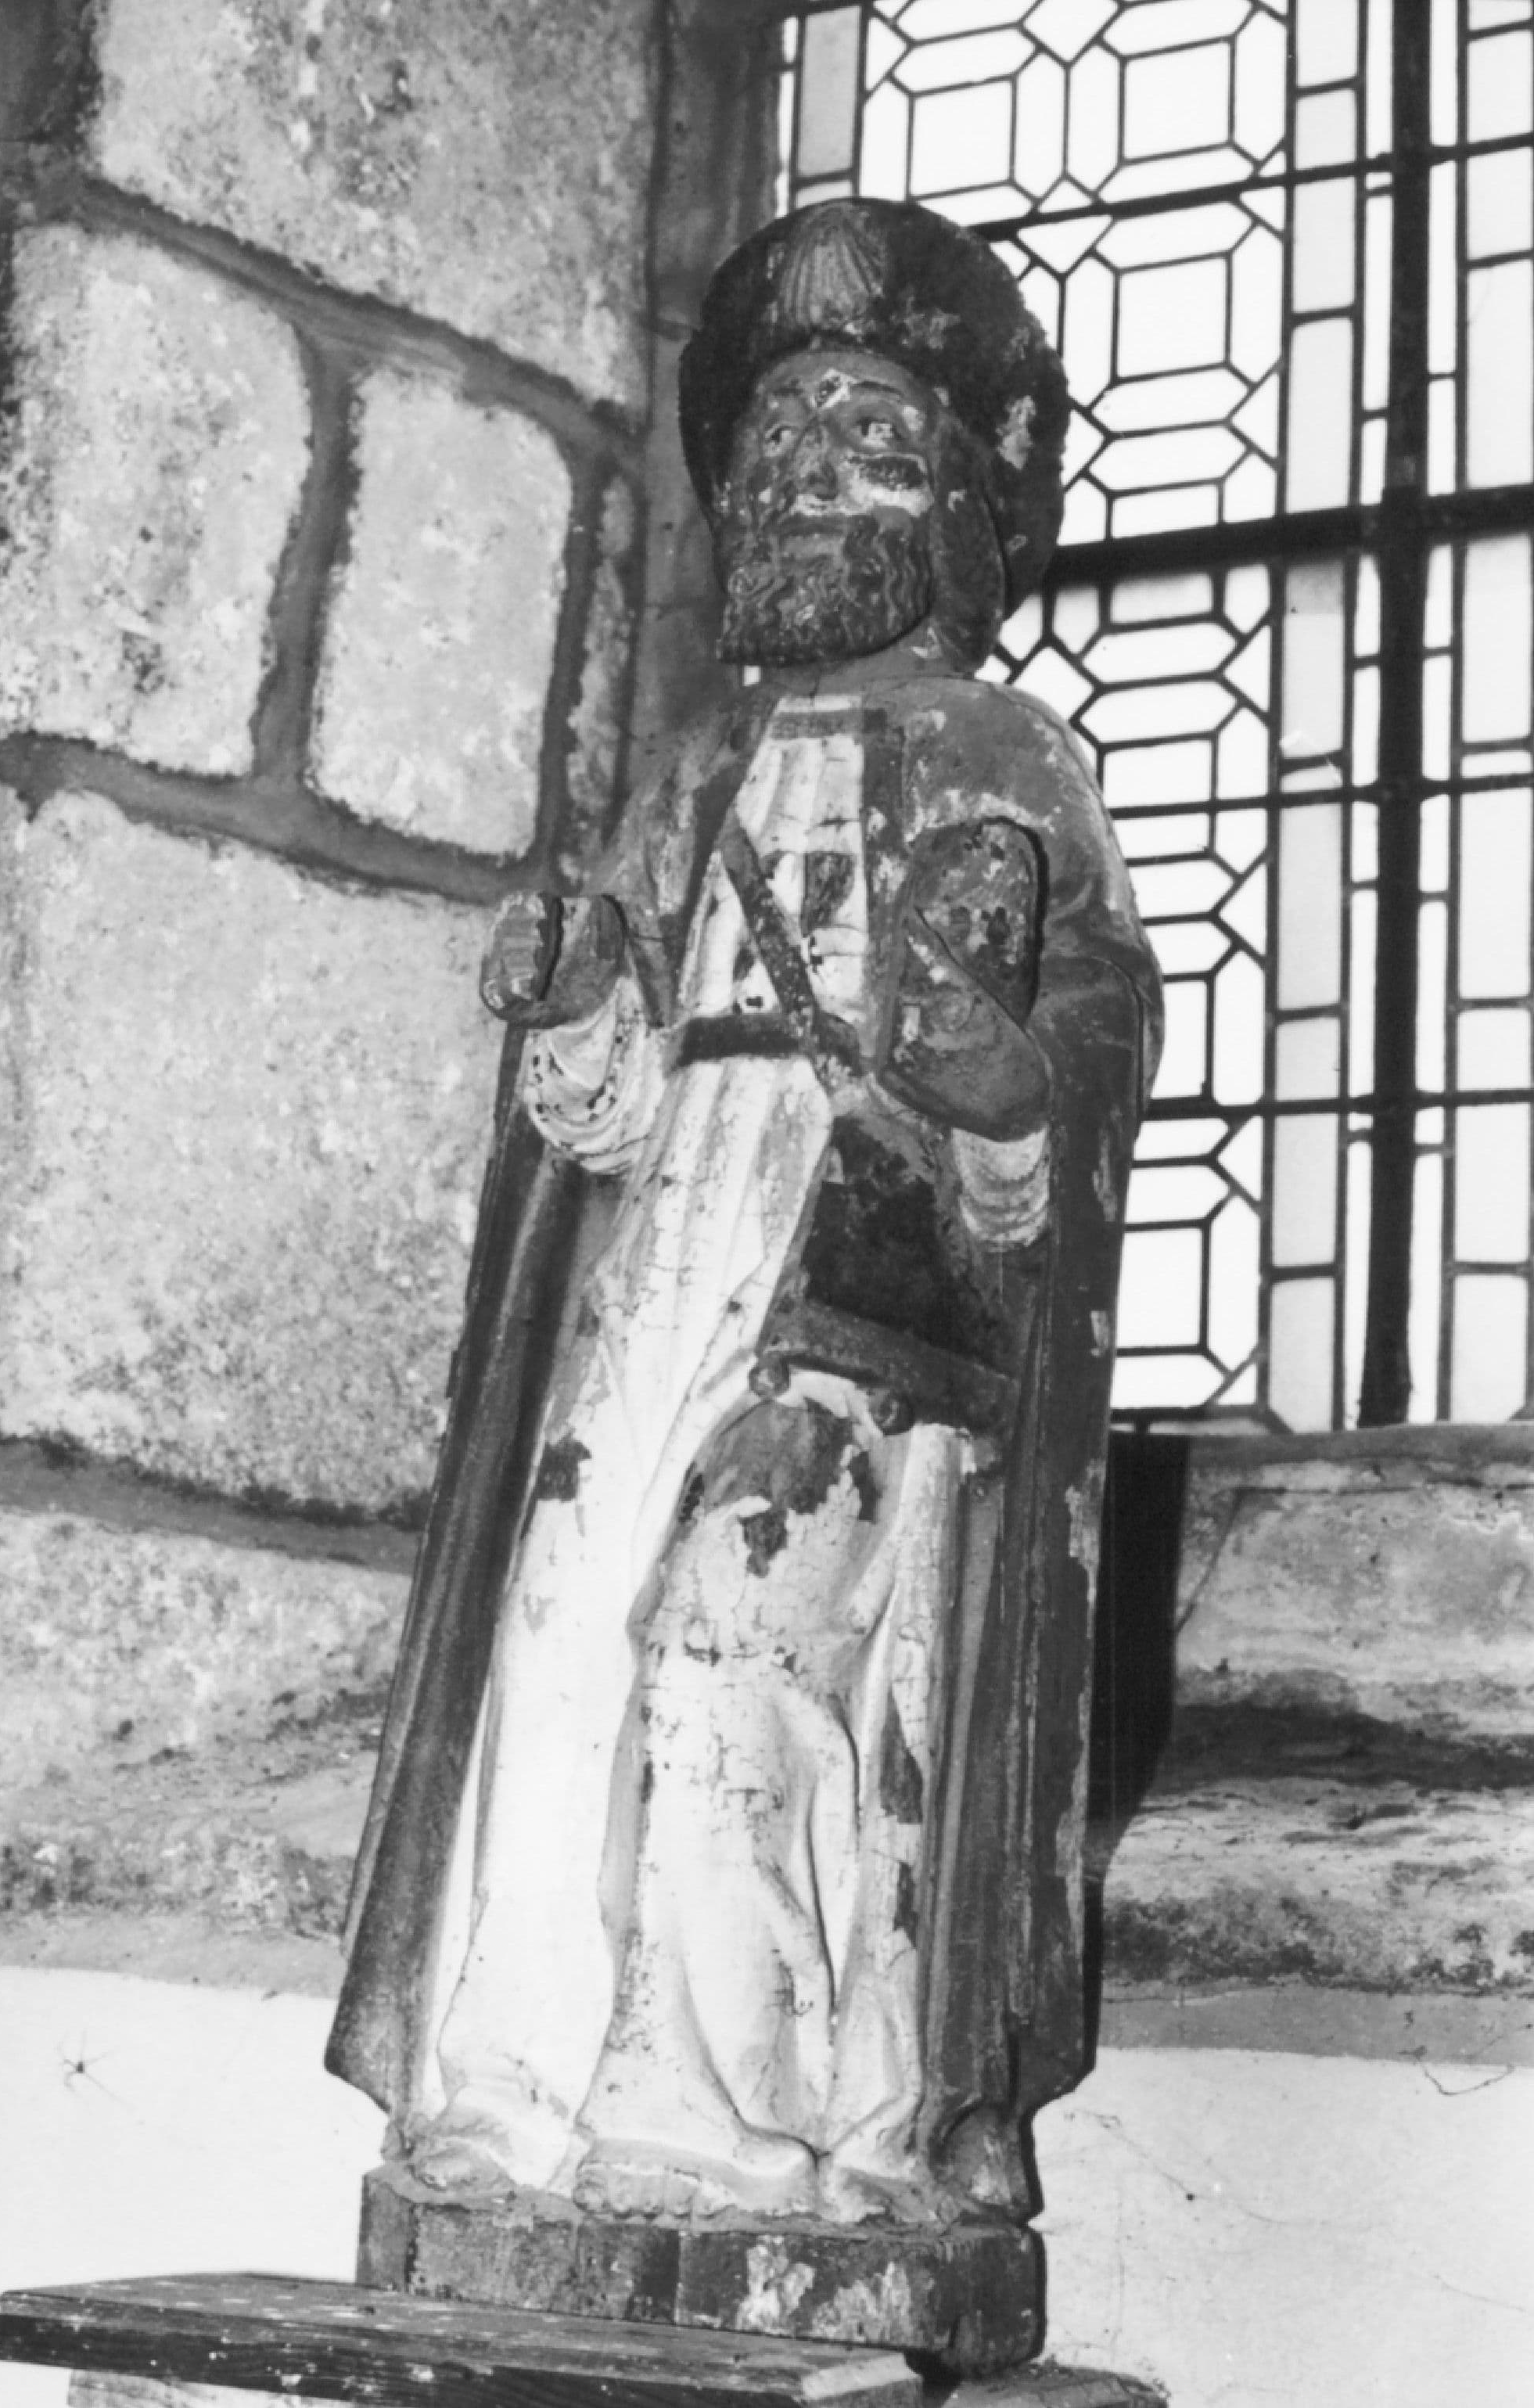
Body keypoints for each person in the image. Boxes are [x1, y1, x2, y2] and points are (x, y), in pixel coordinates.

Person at [329, 197, 1162, 2236]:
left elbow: (1088, 1042)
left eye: (866, 438)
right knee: (557, 1630)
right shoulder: (688, 766)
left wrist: (995, 1085)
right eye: (777, 441)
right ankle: (510, 2083)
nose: (805, 475)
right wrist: (573, 1014)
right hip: (656, 1271)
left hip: (863, 1279)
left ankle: (718, 2121)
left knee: (732, 1625)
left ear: (955, 501)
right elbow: (606, 1097)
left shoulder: (1005, 751)